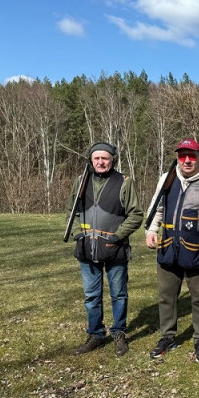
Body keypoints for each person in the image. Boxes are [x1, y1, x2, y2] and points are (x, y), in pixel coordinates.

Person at [144, 138, 199, 361]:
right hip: (168, 248)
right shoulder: (167, 179)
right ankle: (167, 336)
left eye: (192, 156)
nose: (187, 161)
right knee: (166, 296)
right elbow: (157, 209)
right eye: (182, 156)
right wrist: (151, 231)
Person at [66, 142, 143, 356]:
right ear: (91, 160)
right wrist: (77, 234)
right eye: (97, 158)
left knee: (118, 294)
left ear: (112, 160)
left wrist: (118, 236)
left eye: (105, 158)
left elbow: (136, 214)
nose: (101, 162)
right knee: (91, 295)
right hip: (86, 249)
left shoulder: (125, 182)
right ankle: (96, 334)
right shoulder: (81, 181)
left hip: (115, 249)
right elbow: (71, 212)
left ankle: (119, 333)